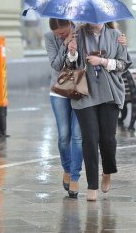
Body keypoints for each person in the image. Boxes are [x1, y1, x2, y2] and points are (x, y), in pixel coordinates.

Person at [66, 21, 131, 201]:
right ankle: (92, 185)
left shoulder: (116, 35)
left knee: (108, 139)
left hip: (110, 92)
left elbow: (123, 65)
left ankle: (107, 171)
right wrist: (72, 52)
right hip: (84, 93)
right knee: (90, 139)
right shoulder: (77, 34)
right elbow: (70, 66)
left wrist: (102, 61)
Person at [45, 18, 84, 198]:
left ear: (69, 25)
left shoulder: (82, 32)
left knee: (77, 136)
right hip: (59, 90)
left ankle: (75, 177)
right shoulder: (49, 37)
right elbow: (55, 65)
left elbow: (84, 63)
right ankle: (67, 169)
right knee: (63, 136)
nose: (60, 36)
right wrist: (64, 45)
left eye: (62, 33)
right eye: (57, 35)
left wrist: (75, 50)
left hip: (79, 89)